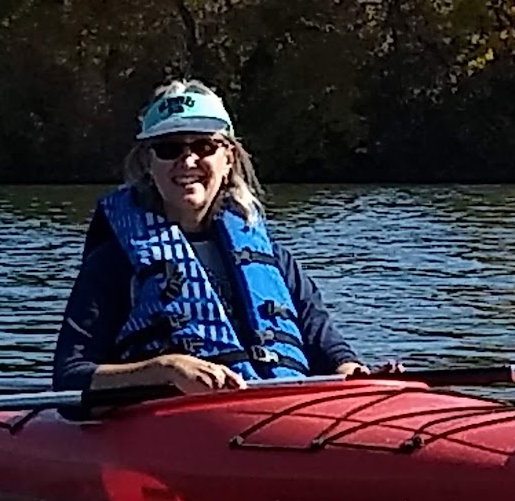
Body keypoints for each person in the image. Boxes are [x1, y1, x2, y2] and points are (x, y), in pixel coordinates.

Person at [53, 80, 367, 394]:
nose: (188, 161)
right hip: (176, 424)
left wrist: (356, 373)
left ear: (228, 158)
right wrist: (165, 369)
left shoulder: (276, 260)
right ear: (148, 163)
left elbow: (328, 350)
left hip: (281, 410)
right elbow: (71, 376)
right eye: (169, 148)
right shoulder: (112, 263)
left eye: (204, 146)